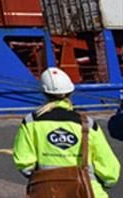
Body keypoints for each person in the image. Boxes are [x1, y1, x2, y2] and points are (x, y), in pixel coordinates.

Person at [13, 67, 120, 197]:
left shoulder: (30, 123)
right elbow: (110, 172)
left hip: (49, 192)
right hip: (87, 192)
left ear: (43, 93)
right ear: (70, 92)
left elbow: (24, 164)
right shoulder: (88, 125)